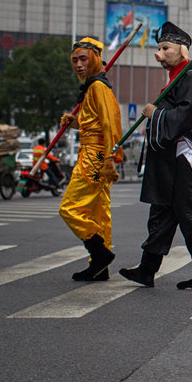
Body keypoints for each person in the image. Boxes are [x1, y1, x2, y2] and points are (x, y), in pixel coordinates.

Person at [119, 22, 192, 290]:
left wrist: (154, 114)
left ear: (181, 50)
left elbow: (185, 117)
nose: (160, 53)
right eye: (158, 48)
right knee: (162, 211)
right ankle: (147, 269)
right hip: (170, 159)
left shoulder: (191, 78)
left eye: (165, 48)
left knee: (190, 213)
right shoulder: (177, 78)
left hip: (185, 157)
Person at [58, 37, 123, 282]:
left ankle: (99, 252)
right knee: (99, 212)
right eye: (74, 60)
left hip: (94, 157)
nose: (78, 64)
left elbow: (109, 124)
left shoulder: (97, 87)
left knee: (69, 208)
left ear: (95, 58)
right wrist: (75, 123)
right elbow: (94, 125)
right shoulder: (94, 87)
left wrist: (109, 157)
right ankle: (99, 266)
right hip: (96, 152)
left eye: (83, 59)